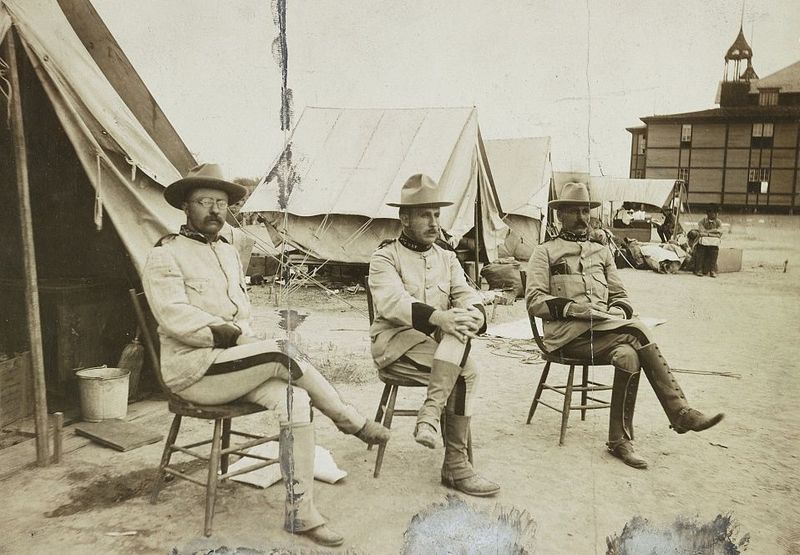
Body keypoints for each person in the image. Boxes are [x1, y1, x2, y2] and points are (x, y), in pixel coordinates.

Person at [142, 163, 390, 547]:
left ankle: (301, 513)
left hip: (231, 366)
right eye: (204, 201)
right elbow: (174, 317)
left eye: (221, 203)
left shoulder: (227, 253)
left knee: (296, 398)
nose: (214, 210)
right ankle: (349, 420)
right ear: (186, 207)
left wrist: (245, 339)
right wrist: (234, 337)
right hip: (194, 371)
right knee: (281, 352)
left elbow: (241, 314)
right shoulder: (166, 255)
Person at [525, 182, 724, 469]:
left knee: (629, 355)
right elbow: (534, 301)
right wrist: (577, 309)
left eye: (585, 211)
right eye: (574, 212)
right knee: (637, 329)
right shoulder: (545, 252)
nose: (582, 218)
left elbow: (620, 296)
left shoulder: (601, 252)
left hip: (603, 333)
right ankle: (680, 412)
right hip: (566, 338)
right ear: (560, 215)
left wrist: (614, 311)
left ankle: (619, 441)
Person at [368, 173, 500, 496]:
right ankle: (455, 465)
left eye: (437, 214)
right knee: (466, 371)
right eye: (425, 215)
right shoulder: (385, 258)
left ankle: (429, 415)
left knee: (460, 327)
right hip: (395, 345)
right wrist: (442, 318)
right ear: (405, 218)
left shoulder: (447, 257)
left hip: (437, 347)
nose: (434, 223)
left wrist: (473, 315)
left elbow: (466, 294)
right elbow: (394, 303)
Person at [695, 206, 723, 278]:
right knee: (701, 250)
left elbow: (719, 233)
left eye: (717, 213)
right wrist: (714, 232)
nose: (716, 214)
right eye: (714, 213)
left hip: (713, 243)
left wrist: (707, 233)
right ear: (708, 213)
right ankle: (699, 269)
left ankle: (712, 270)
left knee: (714, 250)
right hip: (703, 243)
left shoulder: (718, 222)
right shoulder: (702, 221)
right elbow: (701, 232)